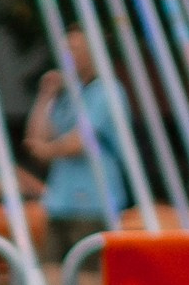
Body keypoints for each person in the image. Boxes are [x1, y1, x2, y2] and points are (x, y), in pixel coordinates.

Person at [23, 28, 131, 262]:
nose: (67, 54)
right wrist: (46, 95)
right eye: (65, 48)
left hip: (93, 204)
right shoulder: (71, 95)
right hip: (59, 203)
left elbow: (80, 142)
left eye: (74, 49)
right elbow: (38, 135)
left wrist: (46, 151)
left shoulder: (107, 91)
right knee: (53, 275)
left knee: (89, 282)